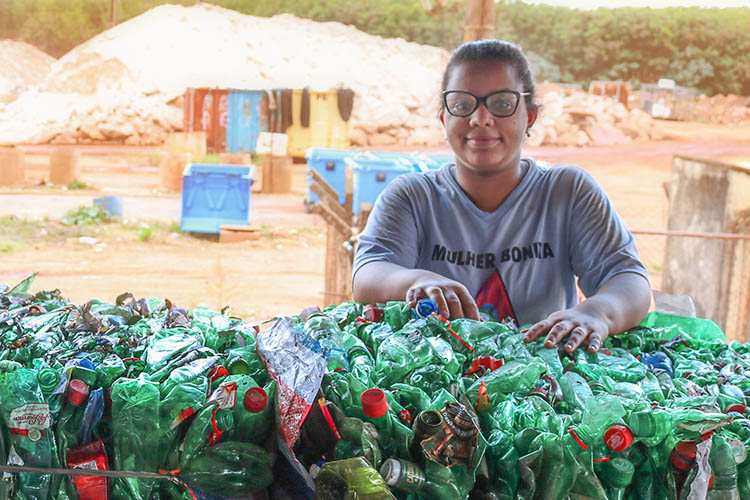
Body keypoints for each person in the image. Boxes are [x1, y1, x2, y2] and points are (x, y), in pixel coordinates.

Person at [351, 40, 651, 353]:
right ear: (444, 119)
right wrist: (414, 282)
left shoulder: (567, 192)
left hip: (544, 386)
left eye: (502, 103)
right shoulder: (413, 197)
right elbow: (369, 274)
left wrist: (596, 313)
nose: (481, 118)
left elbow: (628, 278)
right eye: (462, 104)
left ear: (530, 117)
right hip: (440, 385)